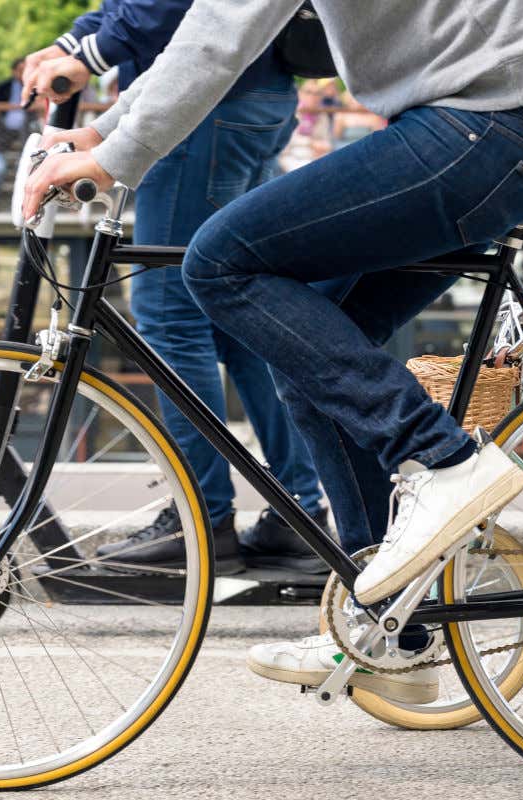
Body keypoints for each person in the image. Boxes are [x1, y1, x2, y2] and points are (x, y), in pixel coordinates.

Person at [23, 0, 523, 700]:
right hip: (508, 113)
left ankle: (445, 460)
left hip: (497, 118)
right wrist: (102, 129)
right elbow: (221, 29)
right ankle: (390, 629)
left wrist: (113, 158)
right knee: (310, 339)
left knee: (218, 263)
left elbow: (220, 35)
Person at [21, 0, 333, 578]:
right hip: (251, 95)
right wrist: (75, 42)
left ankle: (202, 517)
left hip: (202, 104)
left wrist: (90, 54)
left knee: (170, 315)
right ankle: (298, 513)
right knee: (237, 307)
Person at [0, 57, 28, 147]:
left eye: (25, 70)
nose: (23, 73)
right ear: (14, 71)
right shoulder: (3, 86)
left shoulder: (33, 86)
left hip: (27, 123)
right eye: (20, 70)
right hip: (5, 123)